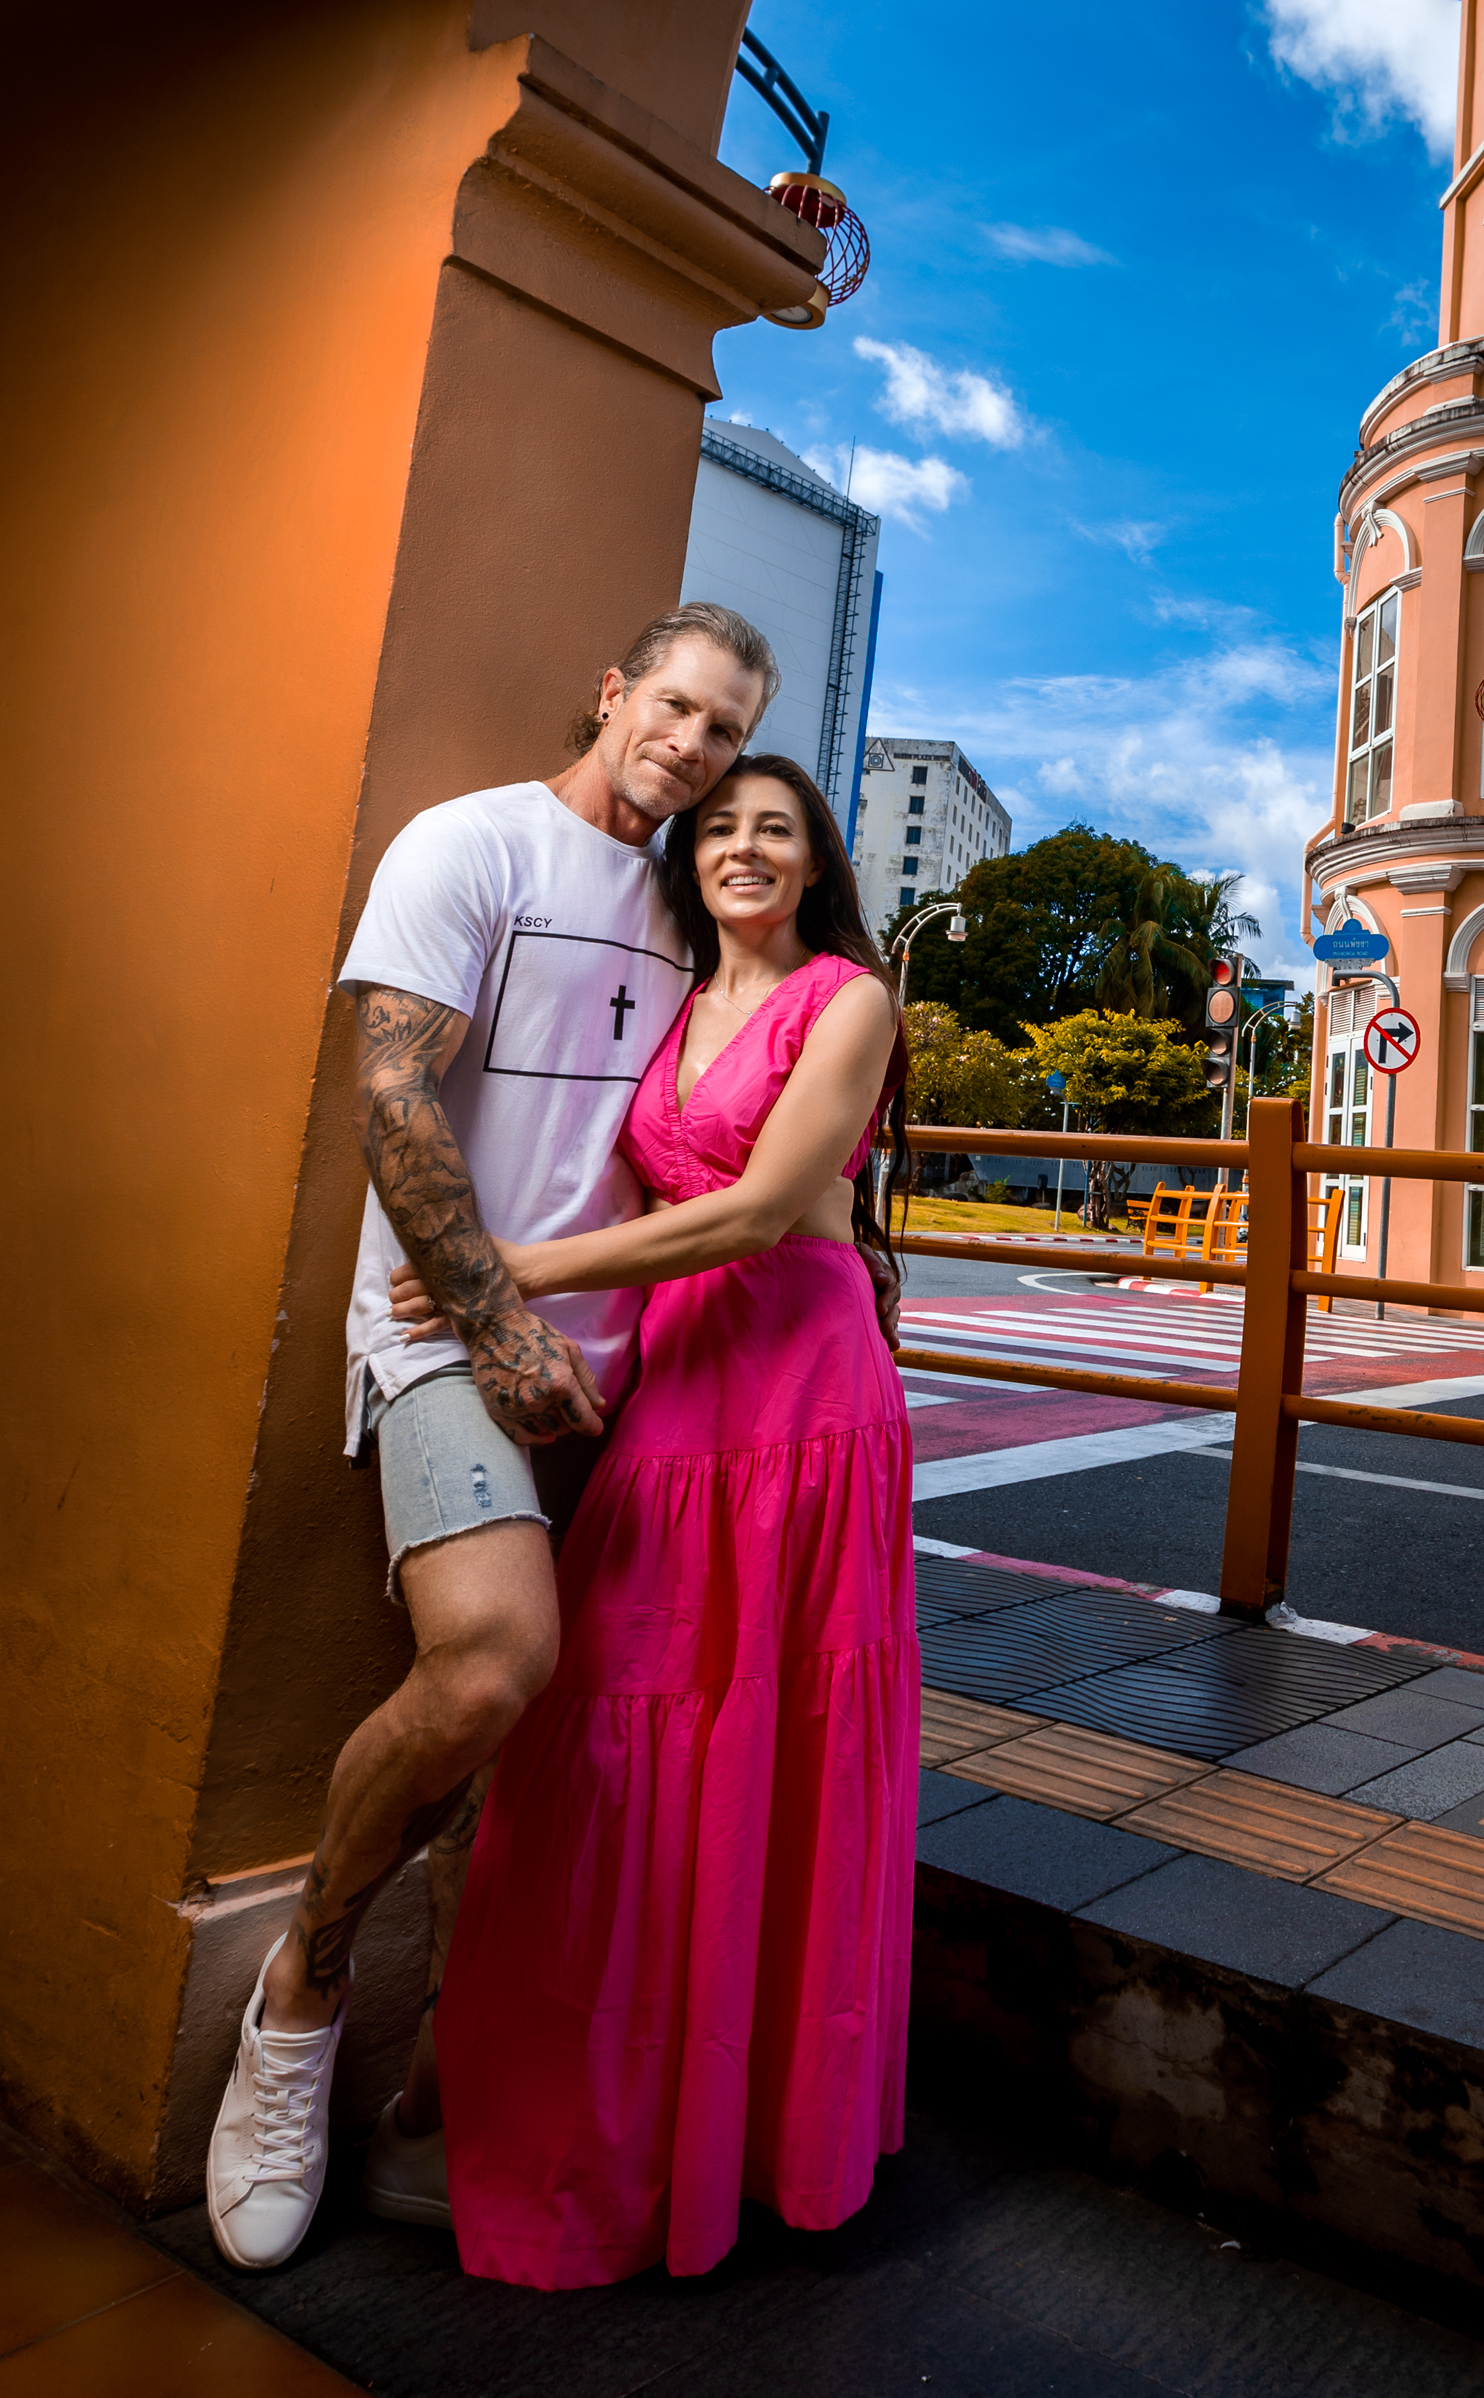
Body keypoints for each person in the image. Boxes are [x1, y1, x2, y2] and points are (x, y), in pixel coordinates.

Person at [204, 602, 777, 2273]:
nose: (692, 742)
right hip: (448, 1343)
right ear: (611, 693)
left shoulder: (697, 908)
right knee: (486, 1669)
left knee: (584, 1759)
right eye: (672, 705)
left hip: (637, 1376)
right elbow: (393, 1095)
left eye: (728, 729)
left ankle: (437, 2113)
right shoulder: (476, 845)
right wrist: (500, 1325)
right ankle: (303, 1992)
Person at [392, 751, 917, 2286]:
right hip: (677, 1394)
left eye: (778, 831)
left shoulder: (849, 1000)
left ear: (816, 864)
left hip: (805, 1399)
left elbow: (759, 1213)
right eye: (723, 831)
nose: (746, 849)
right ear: (689, 862)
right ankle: (619, 2127)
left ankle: (757, 2135)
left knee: (779, 1745)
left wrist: (505, 1274)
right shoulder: (670, 1009)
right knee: (622, 1745)